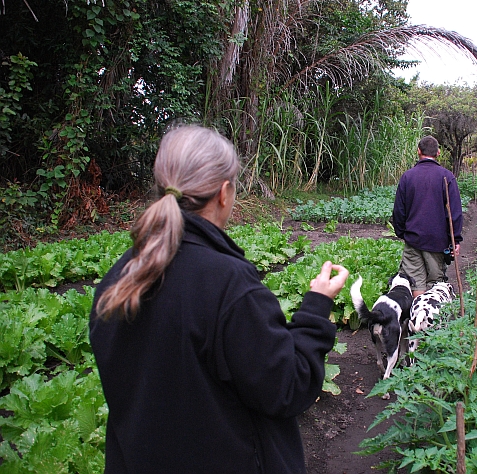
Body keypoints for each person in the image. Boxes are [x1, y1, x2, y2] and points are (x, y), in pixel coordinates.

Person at [89, 125, 349, 473]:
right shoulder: (229, 284)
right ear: (225, 193)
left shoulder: (121, 277)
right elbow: (288, 388)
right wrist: (317, 306)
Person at [392, 135, 463, 297]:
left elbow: (399, 211)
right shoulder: (447, 177)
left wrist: (402, 233)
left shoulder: (408, 177)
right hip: (437, 242)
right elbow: (454, 212)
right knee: (435, 283)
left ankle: (415, 318)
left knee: (415, 281)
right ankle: (430, 318)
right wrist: (455, 239)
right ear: (438, 153)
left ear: (418, 151)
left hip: (413, 239)